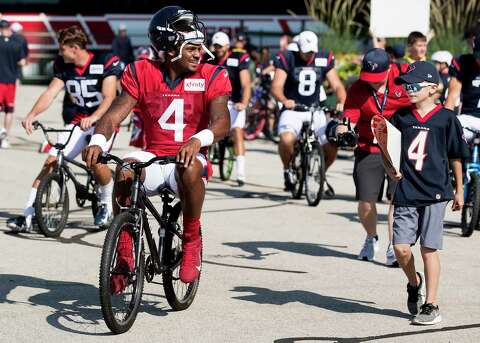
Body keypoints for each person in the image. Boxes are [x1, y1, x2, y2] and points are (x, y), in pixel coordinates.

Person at [82, 6, 231, 287]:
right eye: (192, 47)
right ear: (170, 48)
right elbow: (114, 114)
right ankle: (125, 253)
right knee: (125, 169)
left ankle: (190, 239)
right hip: (155, 154)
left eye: (200, 47)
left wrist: (198, 139)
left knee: (188, 166)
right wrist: (98, 141)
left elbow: (222, 122)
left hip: (191, 156)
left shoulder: (212, 74)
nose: (200, 53)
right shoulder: (141, 71)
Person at [7, 26, 121, 231]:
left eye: (63, 49)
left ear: (75, 48)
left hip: (103, 122)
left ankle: (105, 203)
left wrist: (95, 117)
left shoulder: (104, 61)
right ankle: (27, 216)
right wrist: (32, 114)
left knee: (95, 161)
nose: (60, 53)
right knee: (51, 162)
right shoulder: (63, 65)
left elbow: (110, 97)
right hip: (78, 121)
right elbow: (51, 92)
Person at [387, 61, 466, 325]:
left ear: (432, 87)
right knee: (400, 249)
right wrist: (392, 171)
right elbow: (390, 152)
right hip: (406, 189)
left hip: (435, 192)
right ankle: (414, 282)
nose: (408, 90)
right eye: (405, 85)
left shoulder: (447, 119)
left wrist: (459, 189)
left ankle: (431, 304)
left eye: (414, 85)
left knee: (428, 249)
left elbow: (456, 155)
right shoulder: (401, 117)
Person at [339, 48, 411, 265]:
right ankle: (371, 238)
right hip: (368, 148)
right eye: (369, 78)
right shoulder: (358, 89)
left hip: (399, 148)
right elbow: (348, 117)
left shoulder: (404, 78)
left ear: (389, 69)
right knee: (366, 202)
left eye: (377, 79)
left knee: (396, 200)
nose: (373, 83)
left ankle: (393, 245)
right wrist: (343, 132)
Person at [272, 30, 346, 191]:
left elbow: (337, 85)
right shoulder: (288, 58)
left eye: (312, 51)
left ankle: (320, 174)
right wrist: (285, 100)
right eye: (305, 51)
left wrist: (341, 101)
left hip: (315, 109)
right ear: (298, 47)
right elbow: (276, 86)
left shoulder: (323, 58)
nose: (309, 55)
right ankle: (288, 169)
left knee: (332, 144)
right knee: (286, 140)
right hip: (293, 109)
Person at [207, 31, 251, 186]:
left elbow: (246, 84)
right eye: (216, 46)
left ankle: (241, 172)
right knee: (206, 131)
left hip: (234, 102)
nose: (218, 49)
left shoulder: (238, 58)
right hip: (214, 102)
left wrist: (243, 103)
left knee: (237, 132)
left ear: (227, 46)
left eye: (220, 46)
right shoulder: (209, 59)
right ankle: (206, 164)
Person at [445, 34, 480, 141]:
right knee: (451, 134)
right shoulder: (464, 62)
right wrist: (444, 122)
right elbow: (452, 96)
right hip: (470, 118)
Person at [0, 19, 26, 148]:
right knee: (9, 110)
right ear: (9, 29)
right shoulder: (17, 44)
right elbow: (22, 62)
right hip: (10, 81)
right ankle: (5, 139)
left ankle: (0, 129)